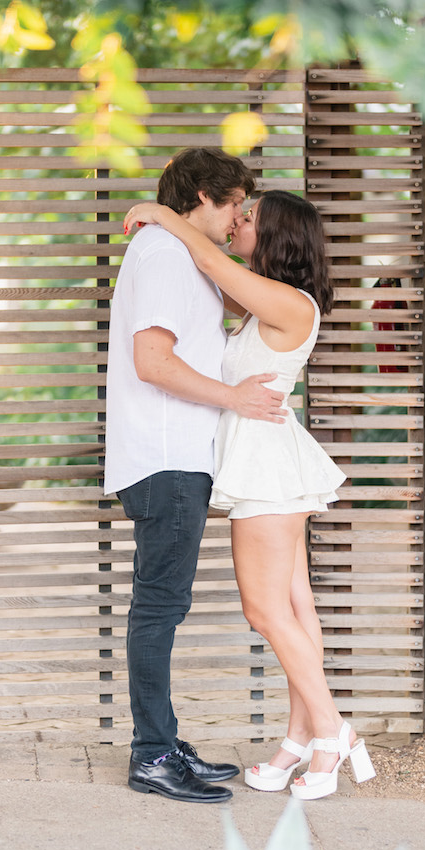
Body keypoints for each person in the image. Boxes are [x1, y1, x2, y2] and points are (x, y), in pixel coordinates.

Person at [122, 189, 376, 801]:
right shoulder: (267, 303)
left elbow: (212, 264)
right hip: (270, 464)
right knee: (295, 611)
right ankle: (299, 743)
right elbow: (207, 281)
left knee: (264, 612)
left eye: (251, 216)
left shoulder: (291, 303)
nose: (238, 220)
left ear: (279, 233)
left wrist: (165, 216)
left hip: (268, 469)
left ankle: (333, 731)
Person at [104, 147, 288, 803]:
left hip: (177, 458)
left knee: (164, 606)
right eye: (235, 201)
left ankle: (163, 741)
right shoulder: (160, 254)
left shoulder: (177, 254)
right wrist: (235, 398)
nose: (240, 213)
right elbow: (152, 362)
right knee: (158, 609)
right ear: (203, 197)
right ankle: (151, 755)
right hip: (164, 458)